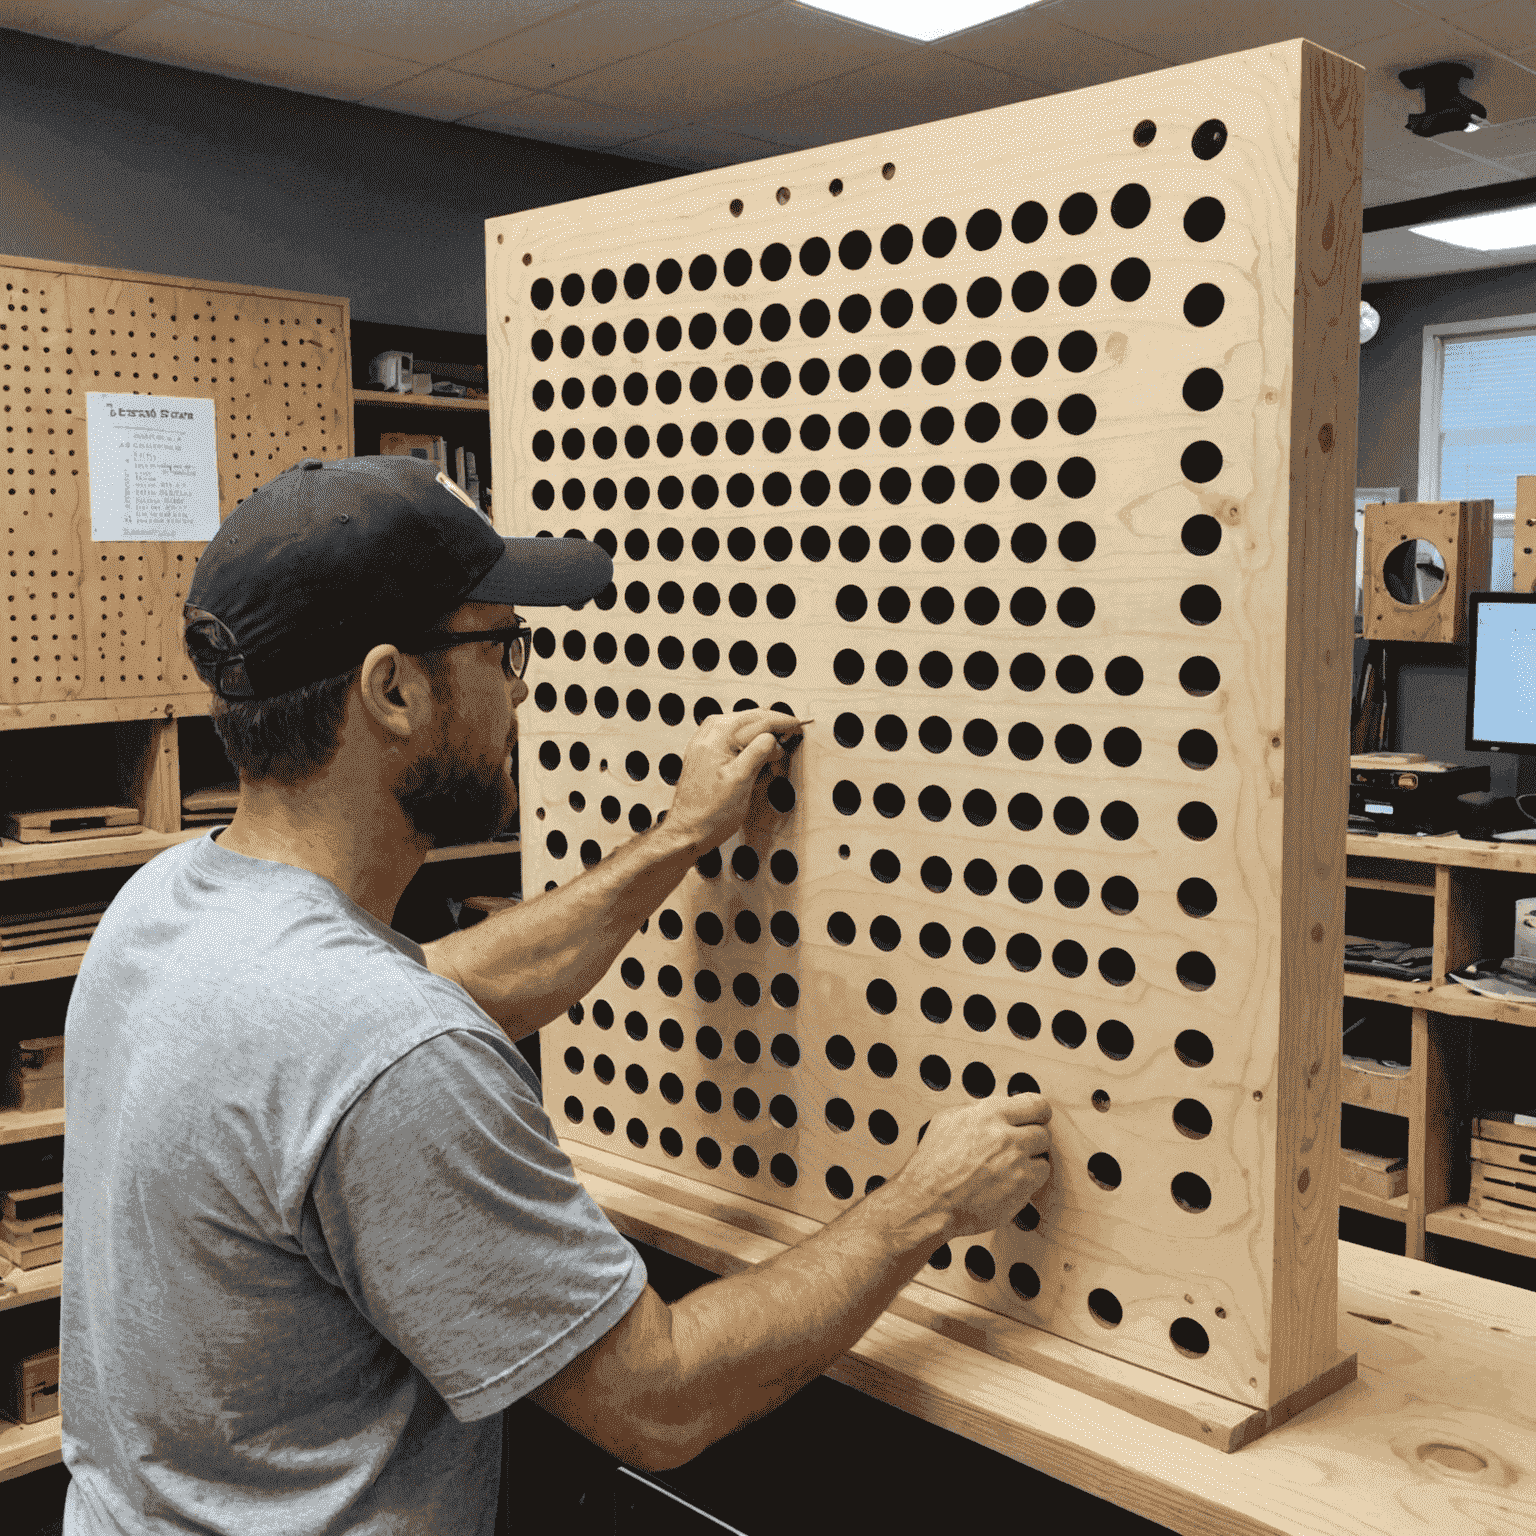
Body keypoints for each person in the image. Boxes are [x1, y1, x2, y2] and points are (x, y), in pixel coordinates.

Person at [61, 455, 1053, 1535]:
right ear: (392, 690)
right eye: (502, 647)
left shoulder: (170, 906)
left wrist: (680, 840)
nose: (524, 688)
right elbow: (659, 1401)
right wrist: (924, 1207)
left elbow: (422, 997)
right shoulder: (387, 1054)